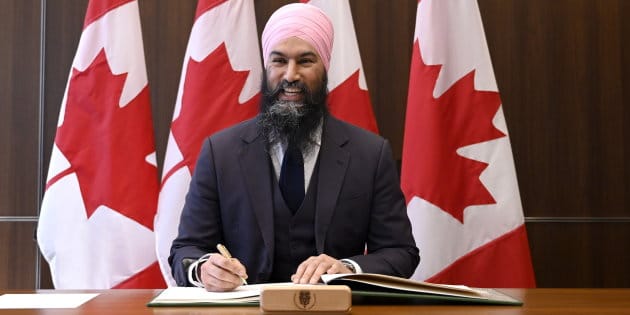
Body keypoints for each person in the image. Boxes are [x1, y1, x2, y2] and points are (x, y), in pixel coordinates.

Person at [169, 3, 419, 292]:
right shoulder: (220, 152)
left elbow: (401, 253)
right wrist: (203, 270)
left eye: (305, 61)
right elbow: (186, 249)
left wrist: (347, 268)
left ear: (324, 67)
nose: (290, 75)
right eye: (279, 61)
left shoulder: (370, 153)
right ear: (266, 67)